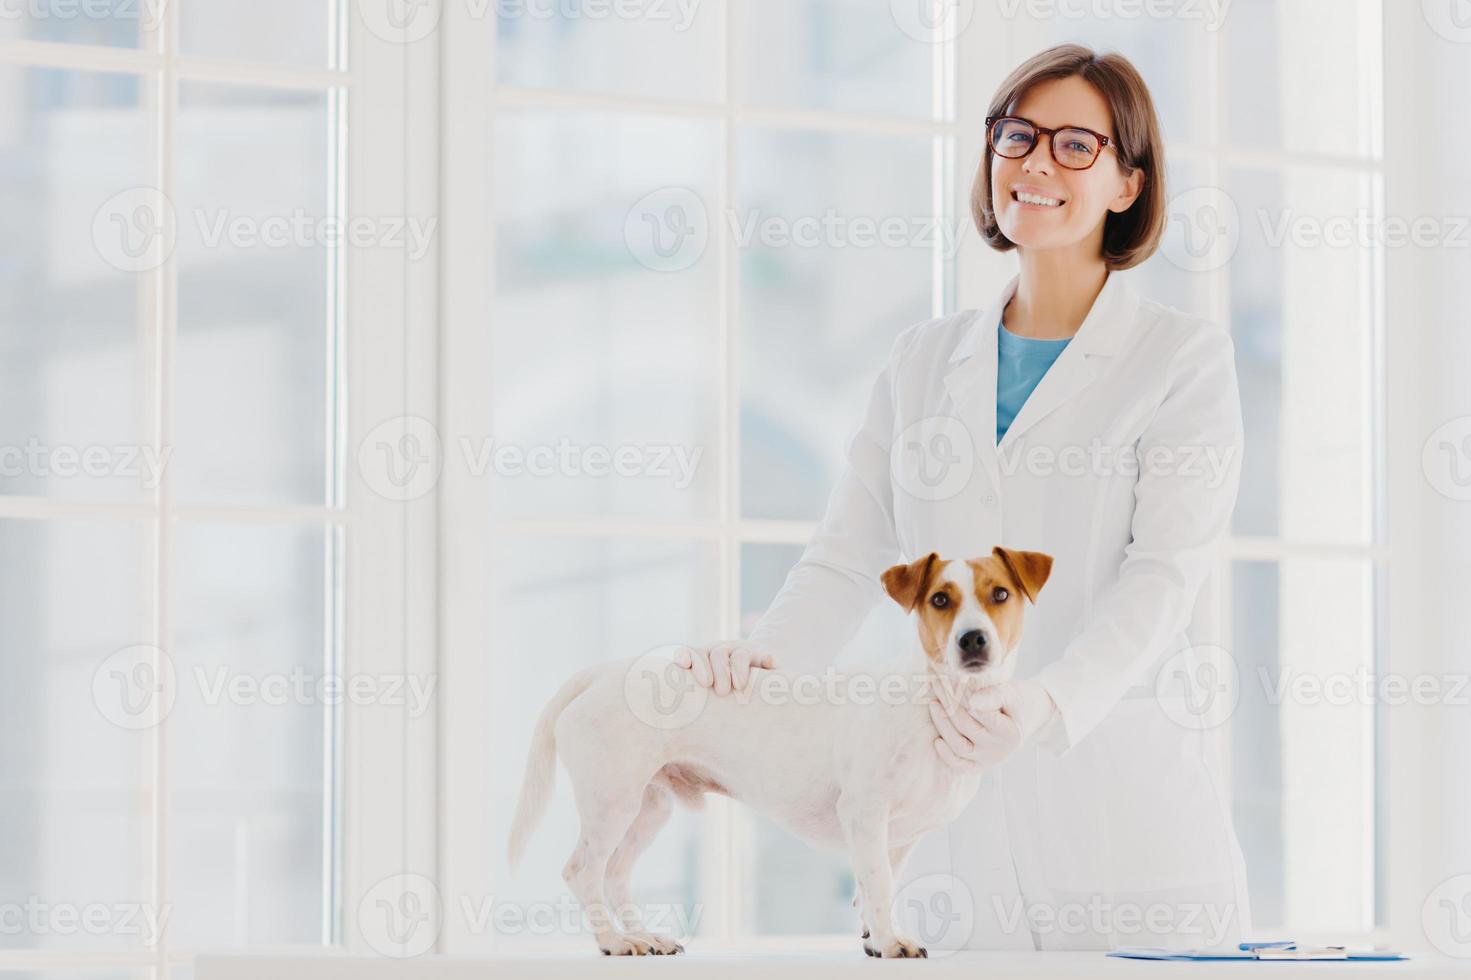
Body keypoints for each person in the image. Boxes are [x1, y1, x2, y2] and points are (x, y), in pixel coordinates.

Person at [675, 43, 1250, 951]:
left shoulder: (1180, 360)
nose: (1033, 162)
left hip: (1116, 810)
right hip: (941, 806)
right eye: (1015, 135)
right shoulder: (920, 360)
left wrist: (1047, 703)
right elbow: (849, 553)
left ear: (1127, 184)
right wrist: (759, 667)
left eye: (1074, 146)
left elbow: (1163, 577)